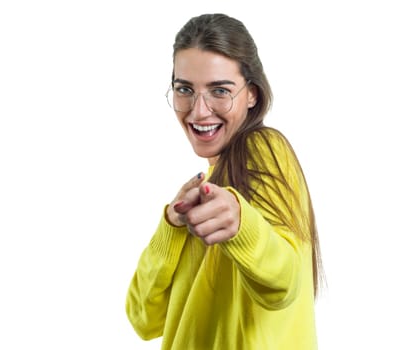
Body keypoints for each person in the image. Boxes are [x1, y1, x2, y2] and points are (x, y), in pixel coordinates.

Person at [125, 13, 323, 349]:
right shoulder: (202, 193)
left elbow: (286, 281)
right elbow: (144, 319)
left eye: (220, 90)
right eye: (184, 89)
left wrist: (242, 224)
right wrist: (171, 224)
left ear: (252, 95)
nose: (199, 111)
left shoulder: (264, 148)